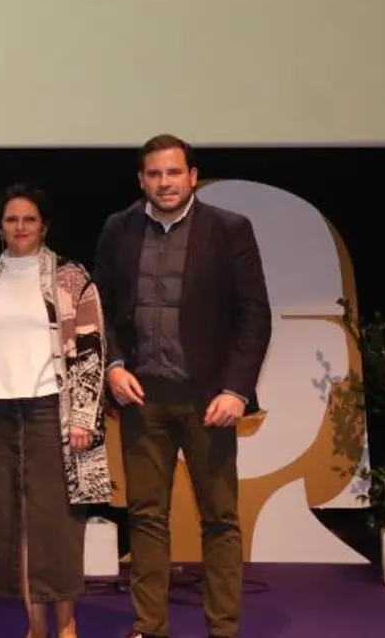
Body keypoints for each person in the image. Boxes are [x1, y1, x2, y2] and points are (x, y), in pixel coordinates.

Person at [96, 136, 271, 638]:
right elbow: (99, 308)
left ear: (193, 176)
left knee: (219, 518)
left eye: (173, 173)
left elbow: (253, 315)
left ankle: (223, 628)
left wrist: (236, 390)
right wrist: (113, 364)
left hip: (209, 400)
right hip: (141, 397)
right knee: (147, 517)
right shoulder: (118, 229)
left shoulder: (229, 229)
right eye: (154, 174)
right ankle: (149, 627)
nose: (164, 183)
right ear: (141, 180)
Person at [0, 186, 112, 638]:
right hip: (2, 415)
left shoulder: (71, 278)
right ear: (0, 227)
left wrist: (83, 417)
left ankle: (66, 626)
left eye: (29, 219)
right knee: (16, 527)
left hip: (54, 412)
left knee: (58, 527)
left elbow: (91, 350)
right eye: (11, 219)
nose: (20, 227)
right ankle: (34, 627)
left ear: (44, 225)